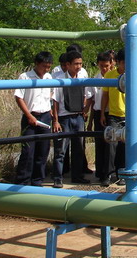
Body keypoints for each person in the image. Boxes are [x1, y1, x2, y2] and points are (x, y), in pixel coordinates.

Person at [52, 50, 92, 187]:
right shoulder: (59, 79)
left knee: (78, 149)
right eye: (76, 64)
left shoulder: (83, 77)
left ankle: (77, 176)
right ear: (68, 64)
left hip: (78, 117)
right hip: (64, 118)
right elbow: (55, 101)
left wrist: (85, 110)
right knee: (61, 150)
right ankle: (58, 177)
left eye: (80, 63)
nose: (79, 66)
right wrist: (55, 120)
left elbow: (88, 95)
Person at [14, 51, 54, 187]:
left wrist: (51, 111)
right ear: (37, 64)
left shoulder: (49, 77)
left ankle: (38, 181)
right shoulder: (25, 77)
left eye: (48, 66)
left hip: (45, 116)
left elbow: (51, 94)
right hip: (30, 116)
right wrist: (29, 115)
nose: (46, 69)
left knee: (43, 151)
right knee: (28, 151)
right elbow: (19, 97)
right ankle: (23, 181)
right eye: (44, 66)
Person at [100, 49, 127, 185]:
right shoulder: (110, 75)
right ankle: (108, 175)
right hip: (114, 116)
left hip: (129, 116)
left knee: (125, 147)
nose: (127, 65)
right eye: (124, 63)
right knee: (111, 146)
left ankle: (122, 174)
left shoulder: (135, 75)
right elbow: (105, 95)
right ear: (118, 62)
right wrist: (102, 113)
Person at [88, 51, 114, 185]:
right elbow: (92, 101)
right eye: (101, 66)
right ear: (98, 64)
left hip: (112, 113)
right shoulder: (95, 79)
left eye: (106, 66)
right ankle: (100, 172)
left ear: (111, 64)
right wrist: (90, 120)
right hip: (99, 113)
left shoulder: (115, 78)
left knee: (111, 144)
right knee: (99, 143)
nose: (104, 68)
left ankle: (109, 173)